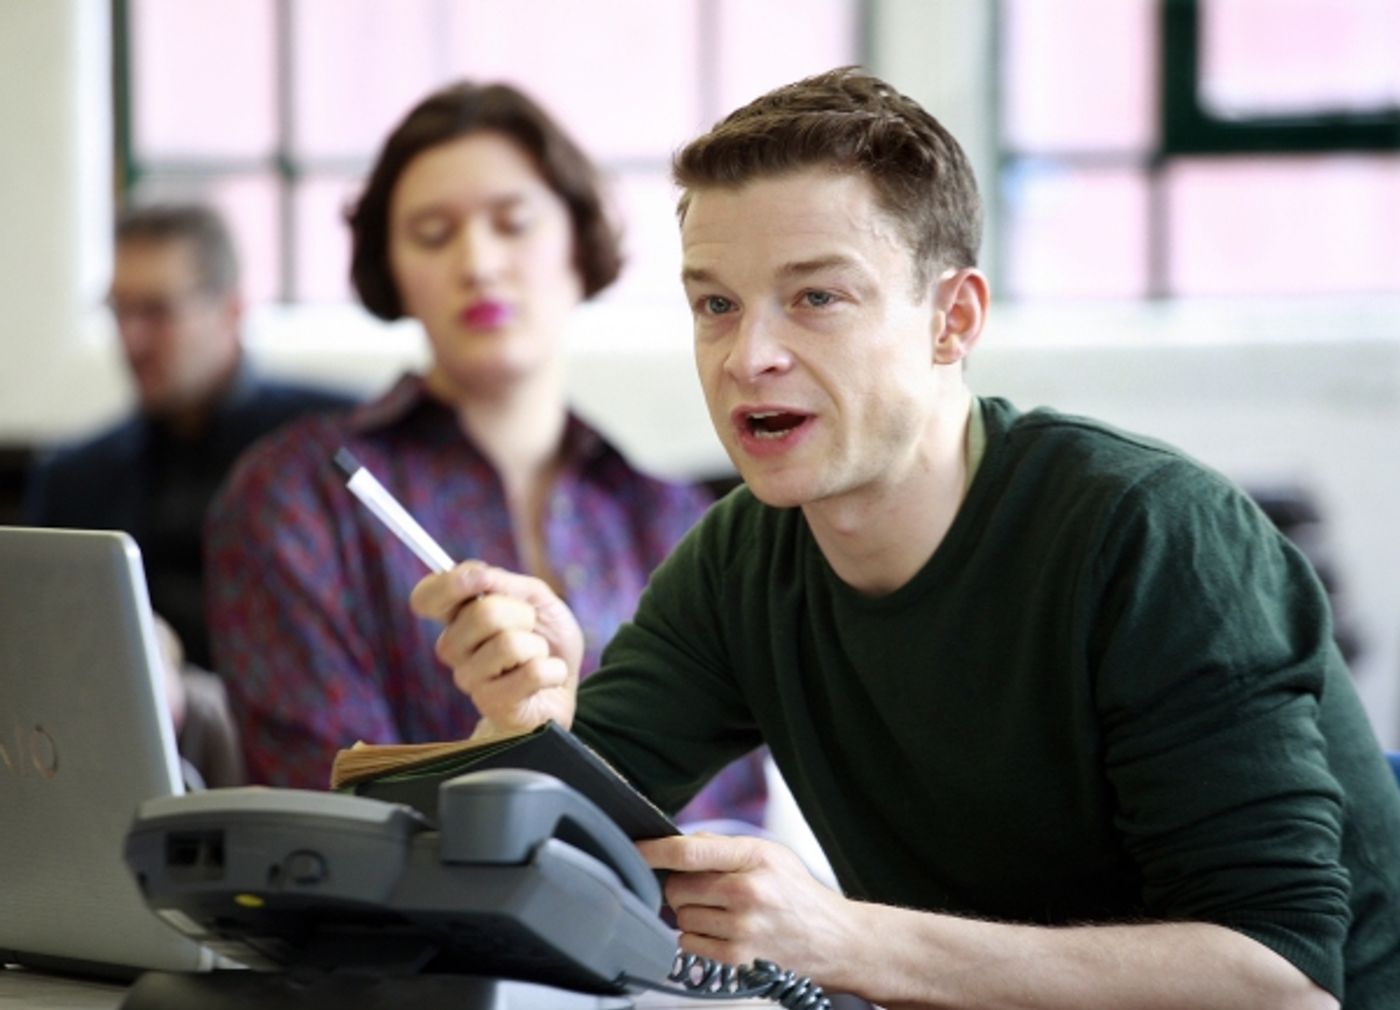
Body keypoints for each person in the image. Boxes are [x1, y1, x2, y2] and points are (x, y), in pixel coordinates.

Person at [411, 68, 1400, 1008]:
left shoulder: (1149, 536)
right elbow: (548, 842)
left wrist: (843, 939)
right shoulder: (739, 559)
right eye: (714, 302)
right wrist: (523, 723)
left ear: (951, 318)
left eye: (815, 297)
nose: (746, 355)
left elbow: (1280, 978)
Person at [203, 81, 767, 829]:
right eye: (433, 234)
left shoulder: (670, 516)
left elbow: (729, 813)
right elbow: (323, 803)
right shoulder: (296, 495)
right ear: (393, 271)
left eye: (514, 222)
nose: (479, 261)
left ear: (578, 240)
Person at [23, 204, 358, 672]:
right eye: (121, 311)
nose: (131, 340)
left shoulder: (331, 442)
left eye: (156, 312)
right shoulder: (73, 479)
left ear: (232, 310)